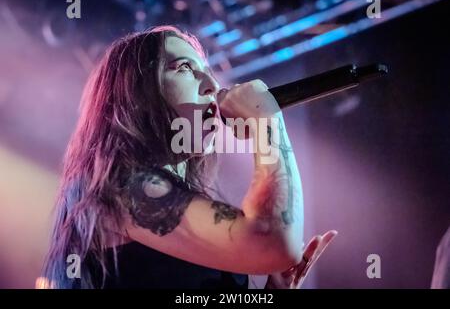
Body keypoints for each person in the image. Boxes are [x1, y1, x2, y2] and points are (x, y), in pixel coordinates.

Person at [41, 25, 337, 289]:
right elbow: (275, 242)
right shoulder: (119, 187)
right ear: (136, 93)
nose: (212, 84)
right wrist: (267, 120)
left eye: (207, 69)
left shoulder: (188, 206)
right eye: (184, 67)